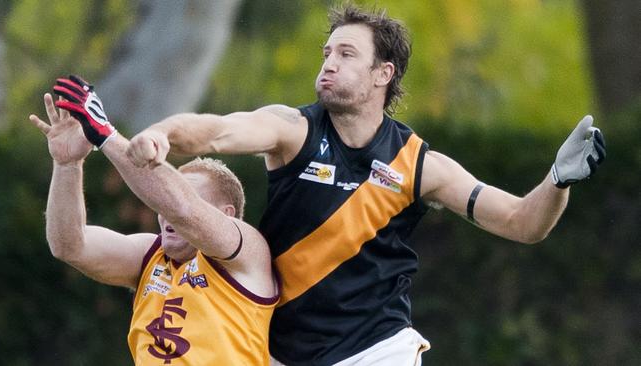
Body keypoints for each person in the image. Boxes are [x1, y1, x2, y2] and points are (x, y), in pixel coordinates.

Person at [123, 4, 606, 366]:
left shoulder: (421, 166)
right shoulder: (292, 131)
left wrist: (557, 181)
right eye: (327, 52)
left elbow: (522, 222)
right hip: (284, 351)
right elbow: (217, 129)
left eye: (346, 54)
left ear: (383, 74)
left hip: (378, 350)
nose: (329, 63)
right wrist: (162, 133)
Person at [29, 77, 279, 365]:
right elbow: (69, 245)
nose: (164, 211)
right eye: (163, 201)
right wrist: (67, 165)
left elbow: (183, 208)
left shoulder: (247, 252)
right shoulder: (151, 255)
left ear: (226, 215)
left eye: (172, 197)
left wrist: (105, 133)